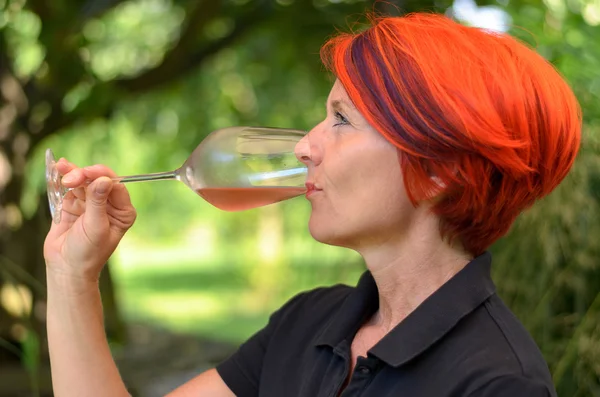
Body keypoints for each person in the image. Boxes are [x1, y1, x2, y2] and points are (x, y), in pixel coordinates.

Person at [43, 12, 581, 397]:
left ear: (440, 168)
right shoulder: (310, 325)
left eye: (342, 120)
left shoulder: (495, 381)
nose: (304, 145)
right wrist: (72, 275)